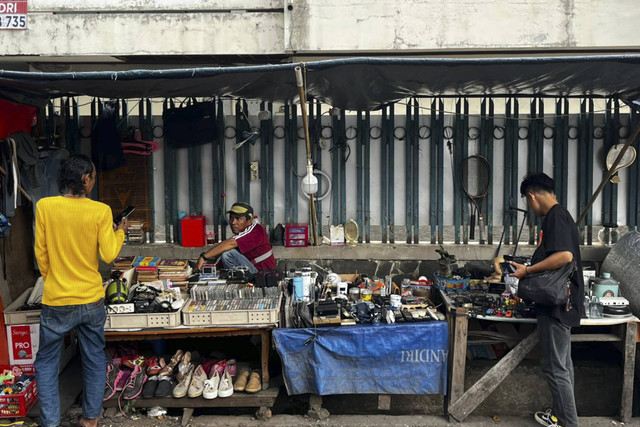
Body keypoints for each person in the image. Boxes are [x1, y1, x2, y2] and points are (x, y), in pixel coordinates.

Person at [34, 154, 128, 427]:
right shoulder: (100, 211)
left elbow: (41, 253)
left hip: (56, 298)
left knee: (47, 362)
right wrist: (120, 231)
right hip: (90, 299)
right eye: (94, 177)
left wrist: (53, 281)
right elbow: (109, 254)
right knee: (94, 359)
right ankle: (90, 420)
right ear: (85, 179)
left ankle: (50, 422)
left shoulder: (45, 207)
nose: (94, 181)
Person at [510, 172, 583, 427]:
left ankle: (568, 423)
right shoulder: (562, 215)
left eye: (528, 202)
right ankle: (560, 416)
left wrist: (527, 271)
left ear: (531, 195)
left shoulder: (555, 216)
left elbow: (564, 256)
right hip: (564, 303)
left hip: (557, 305)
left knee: (556, 369)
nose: (530, 208)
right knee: (564, 366)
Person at [195, 202, 275, 274]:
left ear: (249, 221)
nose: (233, 222)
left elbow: (231, 243)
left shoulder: (256, 230)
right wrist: (203, 266)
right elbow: (220, 258)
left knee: (228, 254)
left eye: (238, 218)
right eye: (231, 218)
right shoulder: (241, 236)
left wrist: (203, 257)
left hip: (263, 275)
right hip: (255, 272)